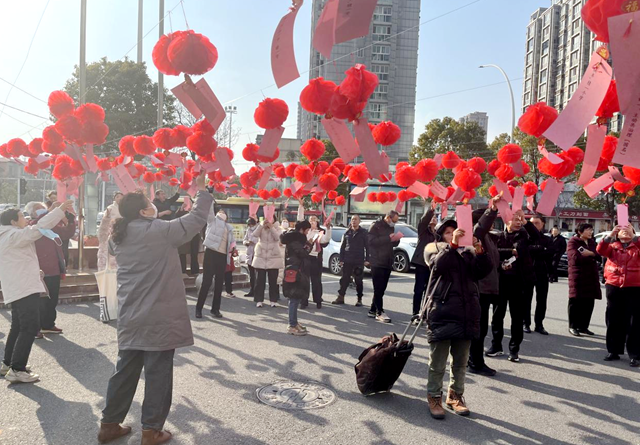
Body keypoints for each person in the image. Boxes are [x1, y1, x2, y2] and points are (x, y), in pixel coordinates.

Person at [98, 173, 211, 445]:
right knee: (158, 373)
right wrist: (203, 191)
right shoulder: (160, 231)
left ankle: (109, 424)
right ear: (143, 211)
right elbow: (196, 219)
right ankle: (150, 431)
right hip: (158, 317)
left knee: (124, 372)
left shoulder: (119, 237)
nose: (154, 206)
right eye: (150, 203)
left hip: (130, 316)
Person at [424, 220, 492, 419]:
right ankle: (434, 396)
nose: (453, 234)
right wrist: (452, 246)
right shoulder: (434, 250)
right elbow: (438, 266)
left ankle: (456, 396)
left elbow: (483, 271)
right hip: (442, 312)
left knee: (461, 362)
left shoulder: (468, 254)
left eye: (456, 231)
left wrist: (480, 251)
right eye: (448, 232)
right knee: (437, 362)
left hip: (467, 313)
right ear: (441, 236)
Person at [0, 201, 73, 384]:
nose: (25, 219)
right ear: (13, 221)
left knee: (18, 326)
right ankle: (17, 369)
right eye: (22, 217)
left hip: (19, 286)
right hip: (24, 287)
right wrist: (58, 211)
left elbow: (19, 259)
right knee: (30, 327)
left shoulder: (8, 235)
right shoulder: (14, 235)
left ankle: (8, 364)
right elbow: (40, 227)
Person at [487, 209, 538, 363]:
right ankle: (496, 346)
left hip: (519, 282)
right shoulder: (498, 237)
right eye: (515, 219)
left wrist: (526, 222)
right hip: (501, 282)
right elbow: (494, 252)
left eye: (520, 219)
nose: (517, 222)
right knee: (497, 316)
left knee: (517, 318)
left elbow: (536, 237)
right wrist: (510, 253)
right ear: (506, 221)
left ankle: (514, 349)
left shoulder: (524, 235)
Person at [25, 201, 76, 337]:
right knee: (39, 300)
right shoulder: (31, 226)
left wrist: (71, 220)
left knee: (52, 298)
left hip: (54, 267)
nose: (42, 210)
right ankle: (36, 327)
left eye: (43, 208)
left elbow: (67, 233)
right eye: (38, 209)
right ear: (32, 213)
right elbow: (43, 222)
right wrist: (53, 211)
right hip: (39, 269)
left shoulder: (52, 226)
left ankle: (48, 324)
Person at [597, 225, 640, 366]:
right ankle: (613, 351)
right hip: (614, 286)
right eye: (621, 229)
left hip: (634, 287)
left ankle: (635, 354)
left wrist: (634, 237)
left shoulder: (637, 246)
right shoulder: (612, 246)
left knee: (634, 321)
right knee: (613, 318)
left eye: (629, 229)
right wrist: (610, 235)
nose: (625, 231)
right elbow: (600, 250)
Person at [468, 196, 501, 376]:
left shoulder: (487, 238)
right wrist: (492, 210)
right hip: (480, 289)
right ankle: (475, 362)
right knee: (478, 329)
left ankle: (472, 359)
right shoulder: (476, 234)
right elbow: (480, 227)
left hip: (487, 288)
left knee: (480, 328)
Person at [195, 208, 235, 319]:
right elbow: (209, 210)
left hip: (222, 256)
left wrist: (233, 249)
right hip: (211, 253)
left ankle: (215, 309)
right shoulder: (212, 221)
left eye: (223, 212)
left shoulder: (229, 227)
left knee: (219, 284)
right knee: (206, 282)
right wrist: (210, 195)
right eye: (220, 212)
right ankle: (199, 309)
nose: (222, 213)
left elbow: (231, 243)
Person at [567, 223, 601, 337]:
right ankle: (573, 326)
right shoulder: (573, 242)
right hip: (578, 275)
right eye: (588, 230)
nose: (591, 232)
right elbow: (575, 257)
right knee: (576, 301)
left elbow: (599, 255)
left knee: (589, 302)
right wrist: (592, 256)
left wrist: (590, 254)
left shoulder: (592, 242)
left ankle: (583, 326)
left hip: (591, 275)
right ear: (580, 231)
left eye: (591, 229)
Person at [367, 210, 401, 323]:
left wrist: (396, 239)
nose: (394, 224)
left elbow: (391, 242)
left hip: (387, 260)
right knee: (378, 287)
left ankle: (372, 309)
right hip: (377, 260)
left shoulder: (390, 227)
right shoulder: (375, 225)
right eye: (393, 221)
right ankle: (379, 312)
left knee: (382, 288)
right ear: (388, 217)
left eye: (396, 222)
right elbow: (371, 241)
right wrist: (388, 238)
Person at [280, 220, 312, 336]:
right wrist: (309, 245)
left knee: (296, 298)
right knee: (294, 298)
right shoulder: (295, 240)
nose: (307, 232)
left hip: (296, 270)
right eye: (307, 230)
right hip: (295, 271)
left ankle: (294, 322)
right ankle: (292, 325)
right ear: (302, 229)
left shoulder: (294, 238)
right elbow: (303, 254)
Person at [523, 214, 553, 335]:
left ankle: (539, 324)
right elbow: (524, 251)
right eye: (532, 223)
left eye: (537, 223)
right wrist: (540, 249)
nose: (534, 225)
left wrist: (535, 250)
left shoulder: (547, 239)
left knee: (541, 299)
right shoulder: (524, 237)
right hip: (527, 272)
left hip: (542, 272)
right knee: (526, 299)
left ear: (543, 224)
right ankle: (526, 323)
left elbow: (550, 253)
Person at [333, 215, 369, 306]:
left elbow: (368, 247)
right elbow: (342, 247)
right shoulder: (347, 232)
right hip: (347, 260)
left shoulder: (364, 232)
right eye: (352, 219)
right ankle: (341, 297)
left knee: (358, 281)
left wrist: (368, 259)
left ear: (359, 221)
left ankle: (359, 299)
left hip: (358, 260)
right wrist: (341, 259)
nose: (354, 221)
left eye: (356, 219)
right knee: (344, 279)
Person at [409, 204, 436, 319]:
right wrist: (430, 210)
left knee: (429, 292)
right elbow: (423, 222)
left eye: (435, 216)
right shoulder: (424, 231)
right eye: (432, 217)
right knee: (419, 290)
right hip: (421, 263)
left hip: (433, 265)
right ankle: (415, 313)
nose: (434, 218)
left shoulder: (438, 234)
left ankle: (425, 313)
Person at [251, 219, 284, 308]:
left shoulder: (277, 227)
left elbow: (278, 238)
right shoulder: (261, 226)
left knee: (273, 281)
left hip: (273, 256)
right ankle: (259, 300)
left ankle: (273, 300)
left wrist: (272, 228)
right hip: (261, 256)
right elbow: (254, 235)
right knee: (259, 280)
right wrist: (261, 225)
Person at [304, 216, 331, 309]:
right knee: (305, 280)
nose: (312, 222)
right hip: (306, 257)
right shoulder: (306, 232)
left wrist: (328, 229)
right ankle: (304, 301)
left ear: (317, 222)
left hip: (316, 258)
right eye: (310, 220)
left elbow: (326, 239)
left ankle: (318, 300)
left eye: (314, 220)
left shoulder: (320, 232)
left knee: (316, 281)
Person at [175, 196, 202, 276]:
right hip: (184, 235)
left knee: (194, 254)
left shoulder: (195, 212)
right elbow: (176, 216)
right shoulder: (181, 212)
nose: (188, 204)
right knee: (182, 253)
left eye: (190, 202)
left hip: (194, 235)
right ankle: (182, 271)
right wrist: (181, 208)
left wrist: (192, 211)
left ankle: (195, 271)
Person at [98, 192, 123, 271]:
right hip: (111, 234)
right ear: (114, 198)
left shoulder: (125, 208)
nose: (119, 198)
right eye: (118, 196)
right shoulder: (110, 208)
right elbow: (104, 225)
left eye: (121, 197)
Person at [243, 217, 259, 297]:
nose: (249, 226)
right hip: (249, 253)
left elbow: (261, 240)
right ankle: (252, 290)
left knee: (257, 275)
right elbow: (244, 240)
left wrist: (254, 242)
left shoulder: (259, 229)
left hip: (257, 254)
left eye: (250, 224)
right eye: (248, 225)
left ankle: (257, 291)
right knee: (251, 274)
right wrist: (246, 242)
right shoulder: (248, 230)